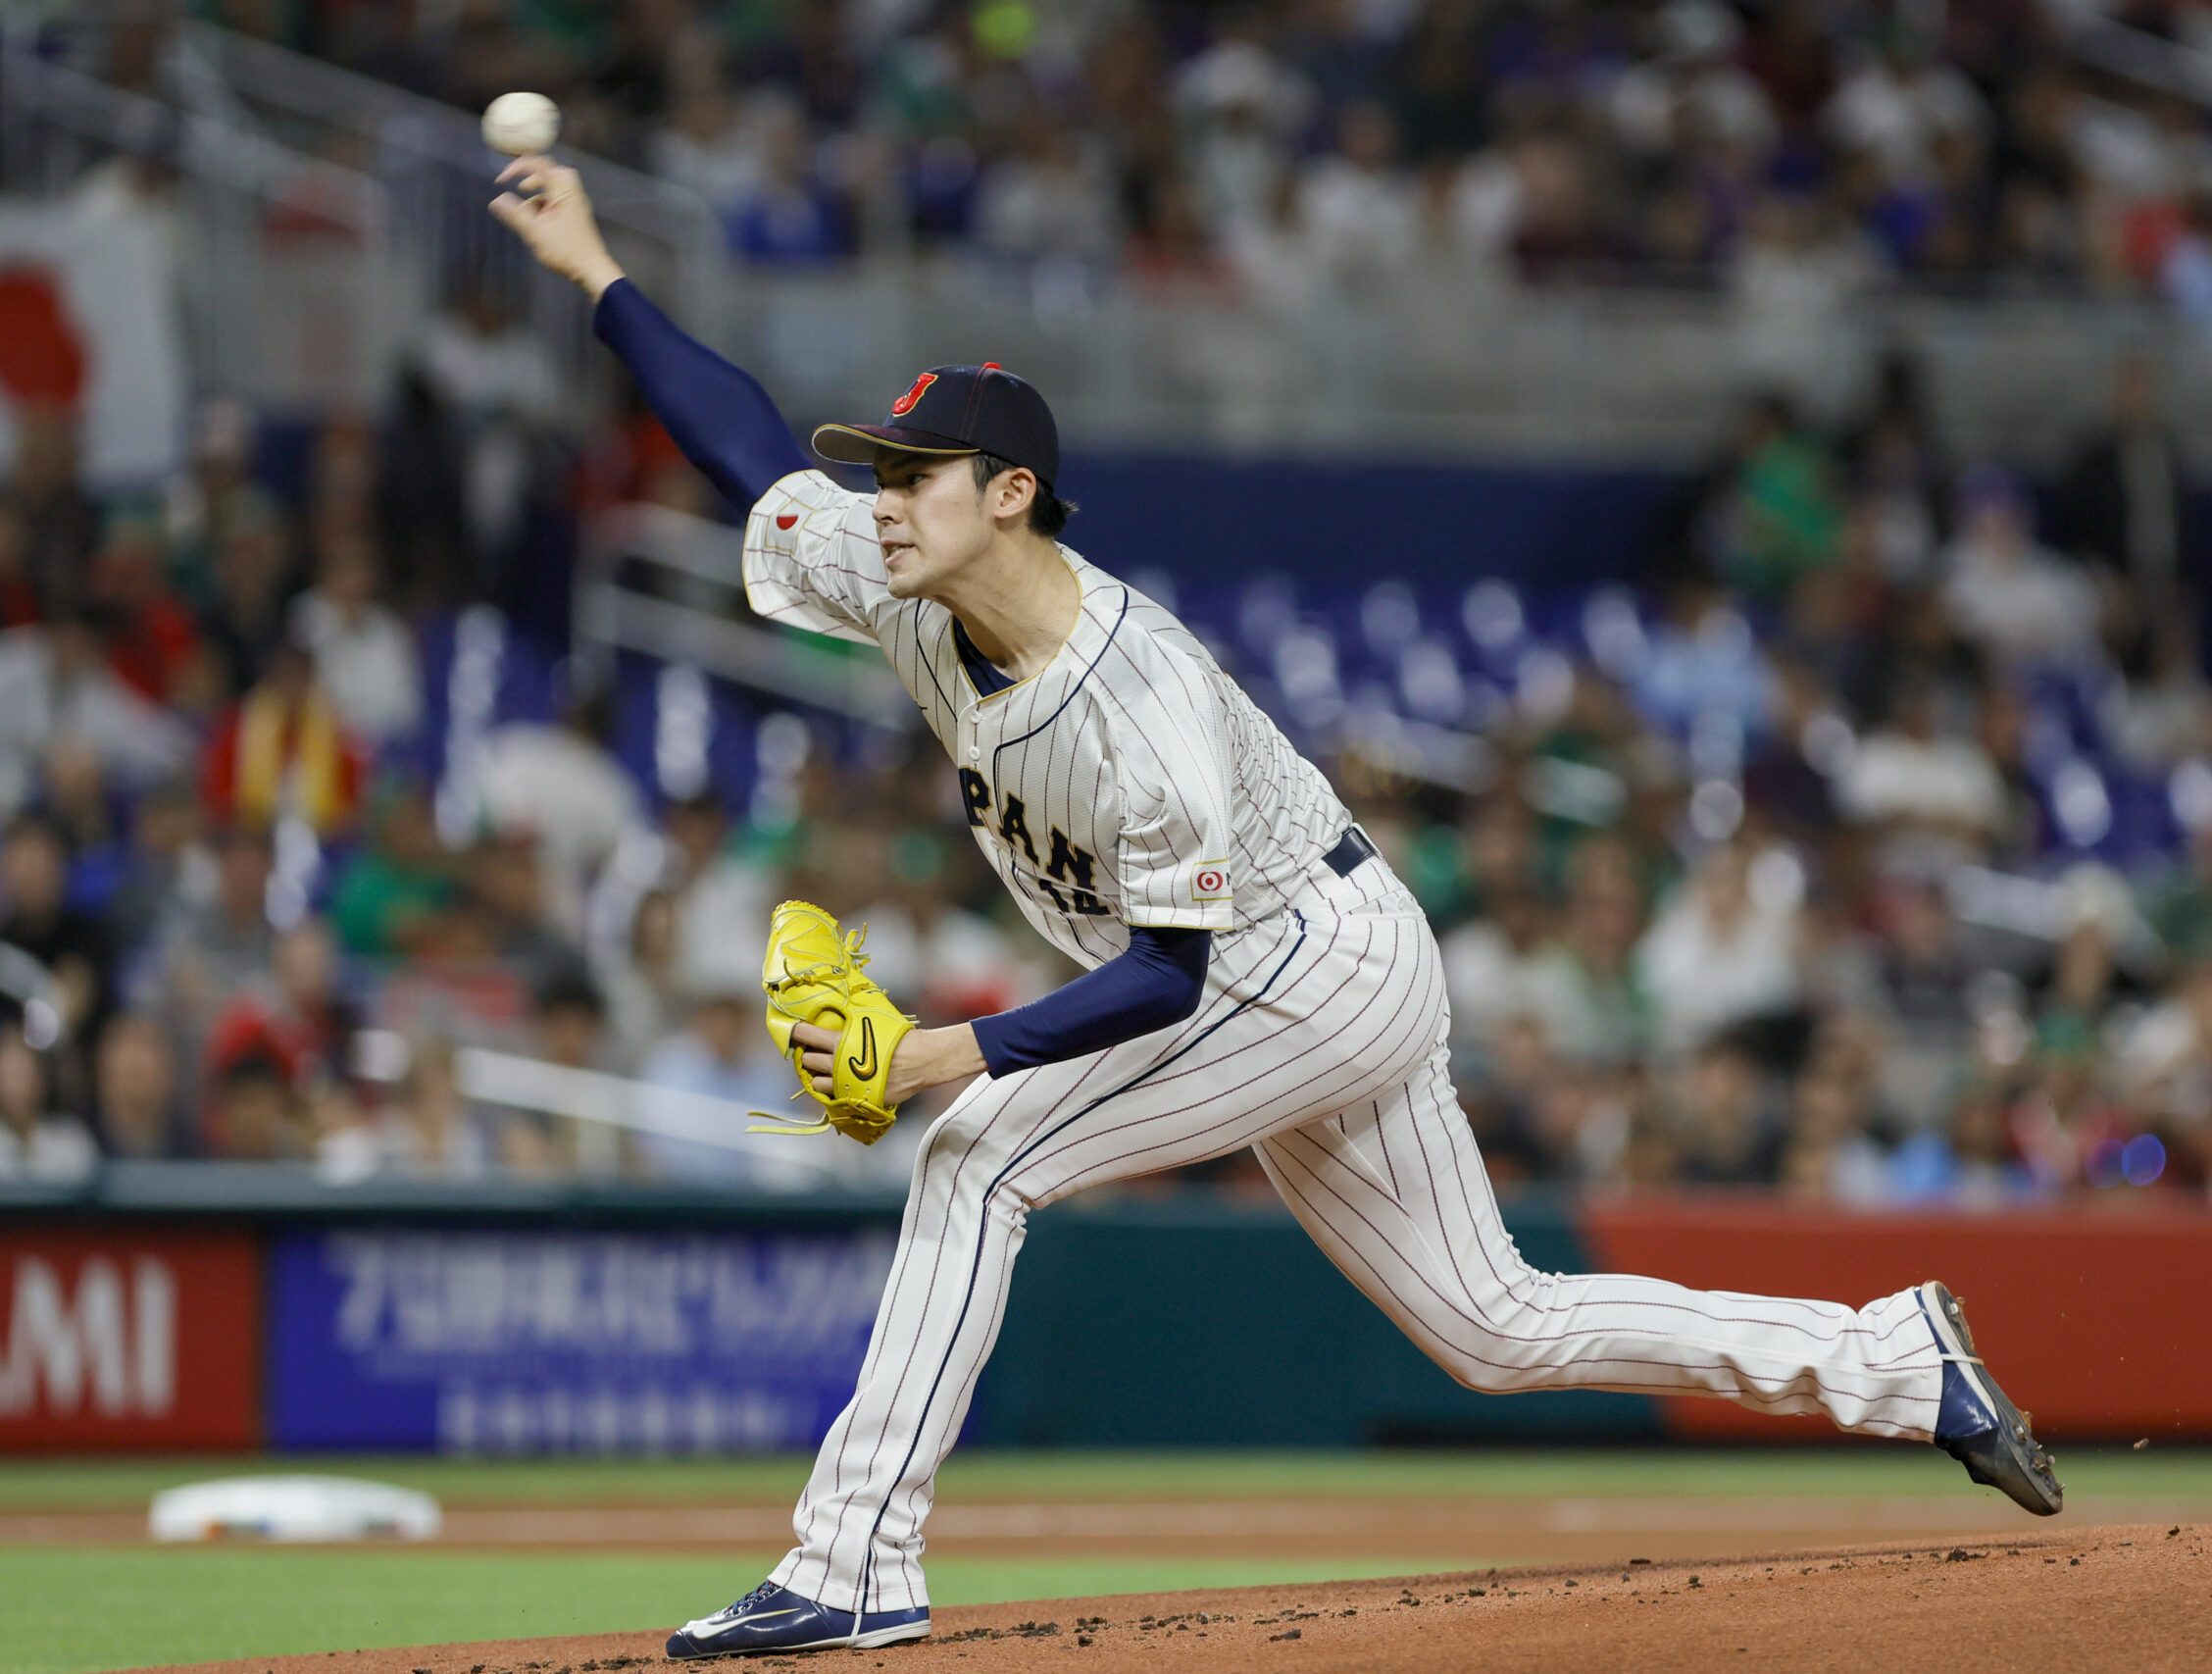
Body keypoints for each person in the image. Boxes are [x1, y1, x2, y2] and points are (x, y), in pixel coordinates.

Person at [491, 153, 2066, 1662]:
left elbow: (1166, 984)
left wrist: (936, 1059)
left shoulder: (1137, 703)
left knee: (978, 1155)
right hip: (1286, 960)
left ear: (1014, 493)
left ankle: (849, 1569)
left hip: (1299, 968)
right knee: (1498, 1328)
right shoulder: (908, 579)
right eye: (881, 476)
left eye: (913, 477)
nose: (880, 502)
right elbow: (742, 445)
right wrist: (599, 273)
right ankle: (1893, 1362)